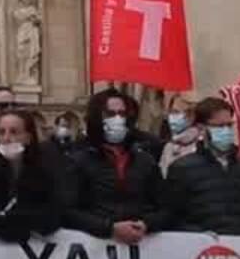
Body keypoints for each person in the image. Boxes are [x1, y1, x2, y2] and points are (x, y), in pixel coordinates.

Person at [66, 88, 168, 245]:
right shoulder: (78, 160)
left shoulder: (145, 161)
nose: (118, 119)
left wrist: (146, 224)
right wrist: (109, 228)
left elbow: (165, 208)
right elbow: (67, 210)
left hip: (141, 248)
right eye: (110, 114)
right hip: (95, 249)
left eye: (122, 114)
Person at [165, 96, 240, 236]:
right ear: (202, 129)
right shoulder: (182, 169)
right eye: (219, 126)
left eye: (229, 125)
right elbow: (173, 218)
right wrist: (199, 234)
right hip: (200, 250)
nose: (226, 131)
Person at [0, 110, 64, 241]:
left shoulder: (44, 174)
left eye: (14, 132)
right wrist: (21, 225)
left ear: (28, 137)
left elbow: (52, 217)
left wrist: (9, 217)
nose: (6, 138)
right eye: (1, 132)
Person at [154, 93, 205, 172]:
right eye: (171, 112)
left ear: (192, 116)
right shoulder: (169, 146)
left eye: (177, 112)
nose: (173, 117)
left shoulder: (200, 145)